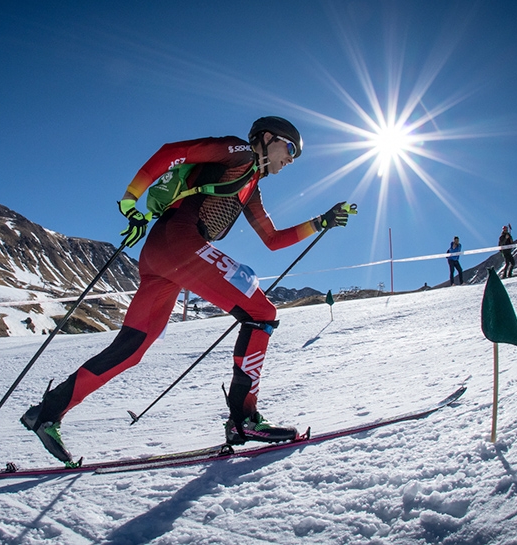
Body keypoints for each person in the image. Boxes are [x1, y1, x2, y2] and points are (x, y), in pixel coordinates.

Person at [20, 116, 355, 464]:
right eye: (288, 148)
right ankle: (244, 420)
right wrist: (130, 201)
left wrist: (321, 222)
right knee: (262, 314)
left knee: (131, 348)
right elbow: (172, 152)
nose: (290, 159)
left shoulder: (251, 187)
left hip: (163, 254)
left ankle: (46, 413)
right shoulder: (237, 152)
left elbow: (272, 240)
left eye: (295, 156)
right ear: (266, 138)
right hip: (178, 241)